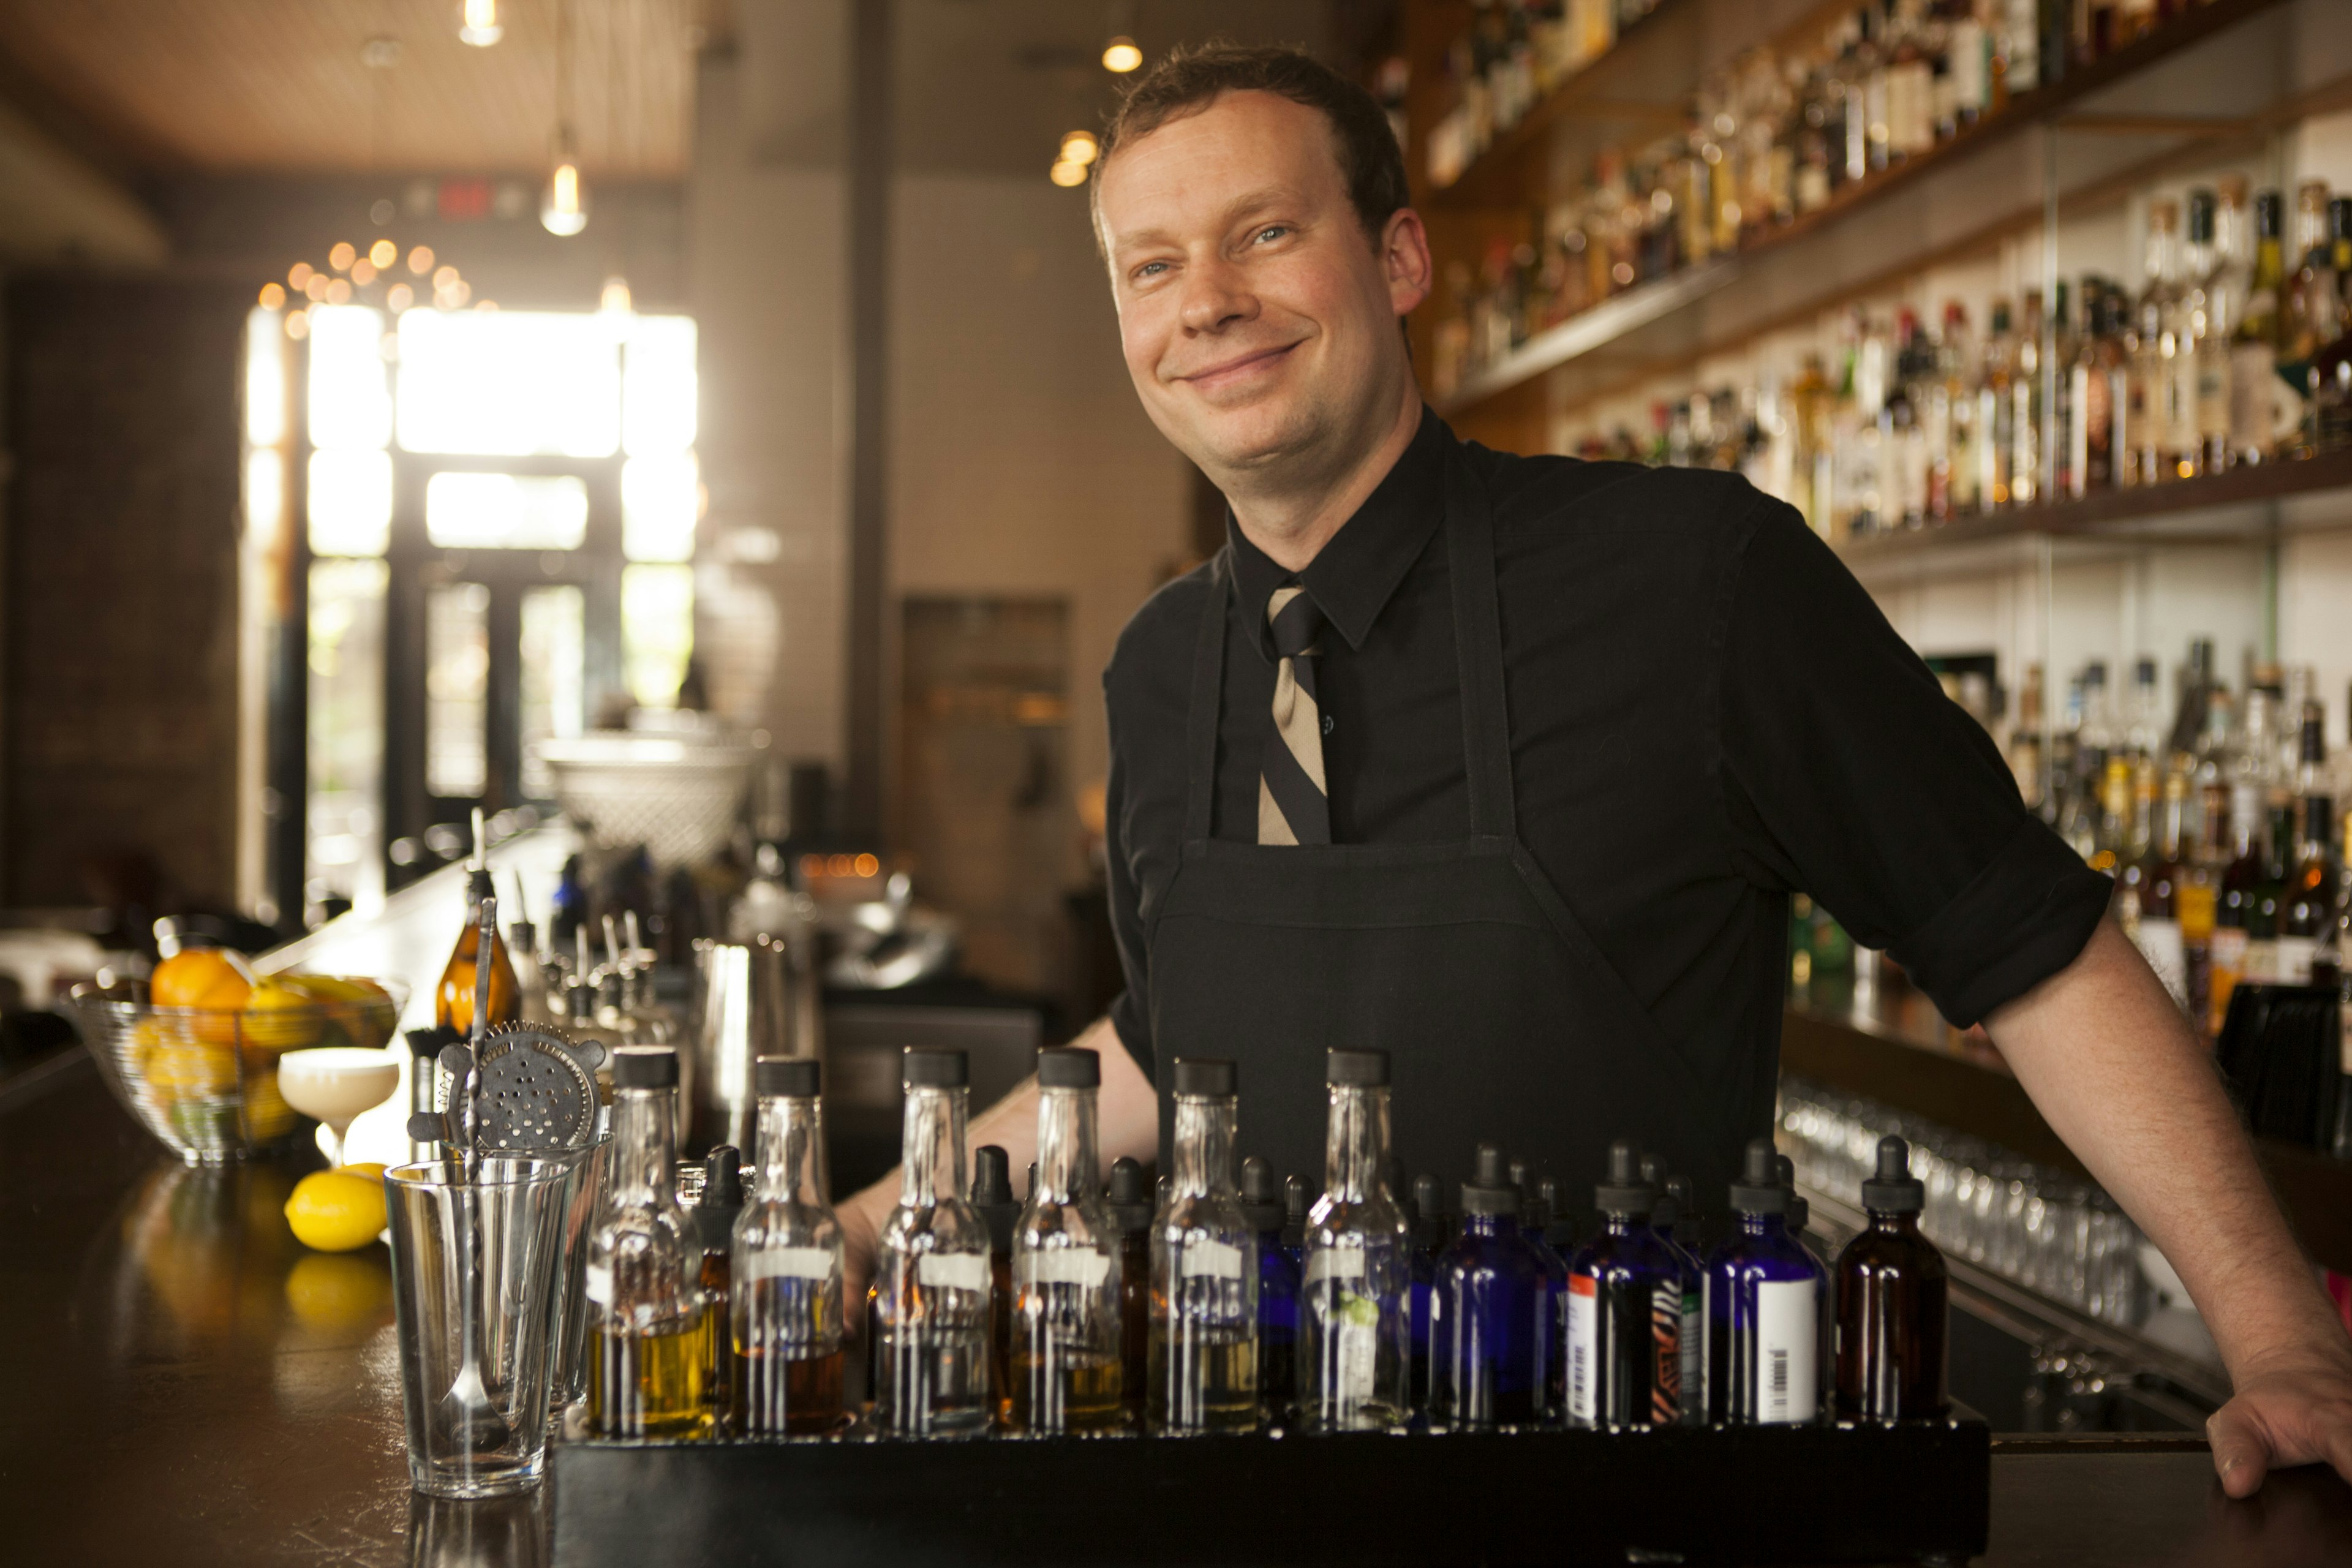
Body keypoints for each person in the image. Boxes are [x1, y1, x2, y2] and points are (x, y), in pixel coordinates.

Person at [839, 43, 2352, 1491]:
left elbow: (2030, 944)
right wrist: (879, 1211)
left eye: (1266, 233)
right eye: (1152, 266)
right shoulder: (1161, 667)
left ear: (1401, 262)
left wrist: (2283, 1337)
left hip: (1632, 1493)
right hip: (1260, 1485)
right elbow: (1171, 1047)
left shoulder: (1695, 579)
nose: (1208, 302)